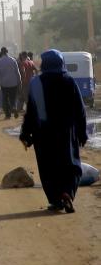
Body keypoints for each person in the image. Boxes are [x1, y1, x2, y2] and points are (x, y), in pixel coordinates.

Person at [20, 50, 87, 213]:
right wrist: (82, 132)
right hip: (66, 132)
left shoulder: (36, 83)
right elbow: (80, 109)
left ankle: (56, 199)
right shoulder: (69, 81)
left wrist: (25, 134)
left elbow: (31, 111)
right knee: (71, 164)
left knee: (48, 167)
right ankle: (67, 193)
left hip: (43, 134)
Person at [0, 47, 21, 119]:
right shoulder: (13, 60)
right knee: (13, 98)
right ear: (7, 52)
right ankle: (14, 107)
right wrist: (19, 81)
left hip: (4, 84)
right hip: (13, 83)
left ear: (1, 52)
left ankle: (8, 115)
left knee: (5, 99)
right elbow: (17, 72)